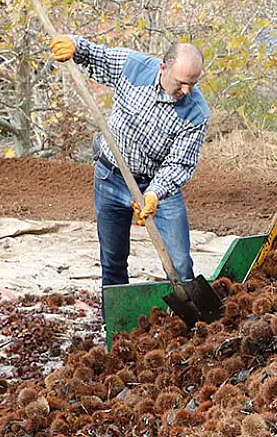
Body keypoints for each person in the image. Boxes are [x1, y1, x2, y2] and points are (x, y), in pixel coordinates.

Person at [50, 36, 209, 291]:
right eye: (181, 83)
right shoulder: (132, 66)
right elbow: (95, 55)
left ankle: (190, 320)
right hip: (111, 178)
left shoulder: (196, 112)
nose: (187, 90)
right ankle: (115, 324)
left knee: (180, 264)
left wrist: (155, 193)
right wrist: (73, 45)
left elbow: (179, 163)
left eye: (193, 83)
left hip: (158, 187)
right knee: (113, 260)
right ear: (163, 68)